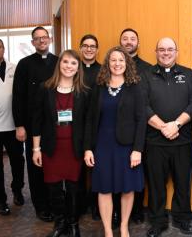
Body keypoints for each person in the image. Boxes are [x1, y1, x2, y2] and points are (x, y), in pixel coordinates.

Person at [84, 46, 146, 237]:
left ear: (127, 63)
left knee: (127, 188)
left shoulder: (135, 86)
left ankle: (125, 226)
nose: (117, 64)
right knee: (104, 189)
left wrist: (137, 150)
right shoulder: (99, 86)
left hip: (127, 147)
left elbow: (141, 119)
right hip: (102, 145)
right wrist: (88, 149)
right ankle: (108, 231)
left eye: (121, 60)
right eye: (113, 60)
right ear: (107, 64)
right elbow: (90, 119)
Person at [143, 37, 192, 237]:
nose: (166, 53)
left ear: (176, 52)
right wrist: (162, 127)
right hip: (154, 143)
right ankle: (157, 222)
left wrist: (175, 124)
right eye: (161, 49)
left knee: (182, 184)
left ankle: (182, 219)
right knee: (156, 185)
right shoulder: (145, 75)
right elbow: (143, 105)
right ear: (156, 52)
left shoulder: (189, 74)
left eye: (170, 49)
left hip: (182, 141)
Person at [32, 49, 89, 237]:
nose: (69, 66)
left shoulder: (84, 92)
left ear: (78, 67)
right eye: (65, 62)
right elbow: (37, 121)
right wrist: (36, 148)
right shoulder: (45, 88)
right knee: (54, 188)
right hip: (51, 148)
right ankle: (60, 223)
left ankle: (73, 224)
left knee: (74, 188)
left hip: (74, 148)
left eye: (73, 63)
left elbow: (88, 124)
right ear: (59, 64)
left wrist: (88, 148)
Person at [12, 26, 58, 222]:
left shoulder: (58, 62)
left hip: (56, 124)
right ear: (33, 43)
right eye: (37, 39)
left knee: (53, 164)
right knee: (36, 166)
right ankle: (41, 205)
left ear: (49, 39)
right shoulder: (24, 64)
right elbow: (18, 97)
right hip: (33, 125)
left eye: (44, 37)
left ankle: (55, 202)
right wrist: (20, 125)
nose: (41, 41)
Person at [119, 28, 152, 225]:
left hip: (141, 127)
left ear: (138, 43)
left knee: (138, 171)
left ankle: (137, 210)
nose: (129, 42)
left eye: (132, 39)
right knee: (118, 172)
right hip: (117, 130)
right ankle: (117, 212)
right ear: (120, 42)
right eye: (125, 39)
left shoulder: (147, 69)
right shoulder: (111, 67)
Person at [0, 37, 25, 215]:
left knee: (17, 161)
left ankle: (17, 190)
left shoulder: (16, 68)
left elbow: (21, 95)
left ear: (4, 49)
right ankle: (0, 200)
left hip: (14, 125)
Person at [78, 34, 101, 220]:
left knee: (95, 168)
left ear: (97, 49)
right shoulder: (73, 69)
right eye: (85, 46)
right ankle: (78, 205)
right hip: (76, 124)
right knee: (77, 166)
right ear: (80, 48)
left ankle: (95, 205)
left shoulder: (103, 71)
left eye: (92, 46)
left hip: (97, 125)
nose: (89, 49)